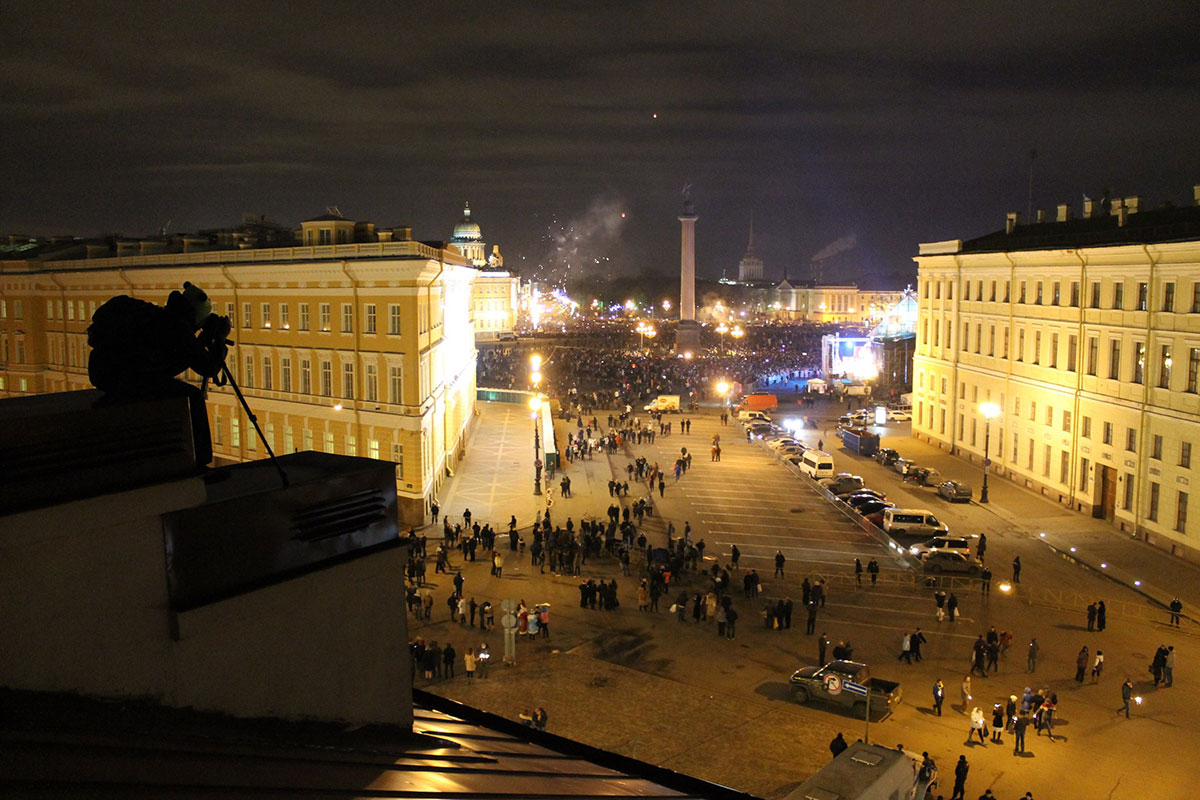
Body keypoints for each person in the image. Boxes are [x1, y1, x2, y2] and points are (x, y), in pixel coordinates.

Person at [87, 282, 230, 467]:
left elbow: (175, 359)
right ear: (195, 315)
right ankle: (201, 463)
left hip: (106, 374)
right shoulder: (176, 327)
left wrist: (199, 341)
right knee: (193, 397)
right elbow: (209, 368)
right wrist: (220, 338)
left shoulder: (161, 318)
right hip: (125, 379)